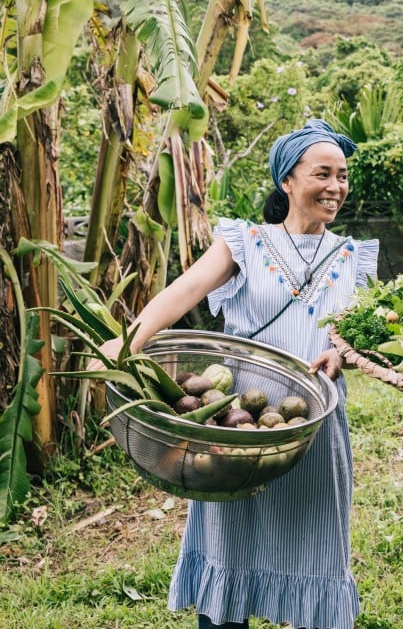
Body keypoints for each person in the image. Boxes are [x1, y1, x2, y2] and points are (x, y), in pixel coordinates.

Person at [94, 119, 378, 629]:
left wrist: (345, 353)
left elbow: (363, 335)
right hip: (234, 422)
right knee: (230, 540)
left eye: (342, 176)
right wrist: (129, 340)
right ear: (287, 181)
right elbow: (185, 291)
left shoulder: (355, 257)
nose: (336, 187)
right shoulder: (245, 241)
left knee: (316, 541)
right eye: (322, 174)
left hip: (311, 426)